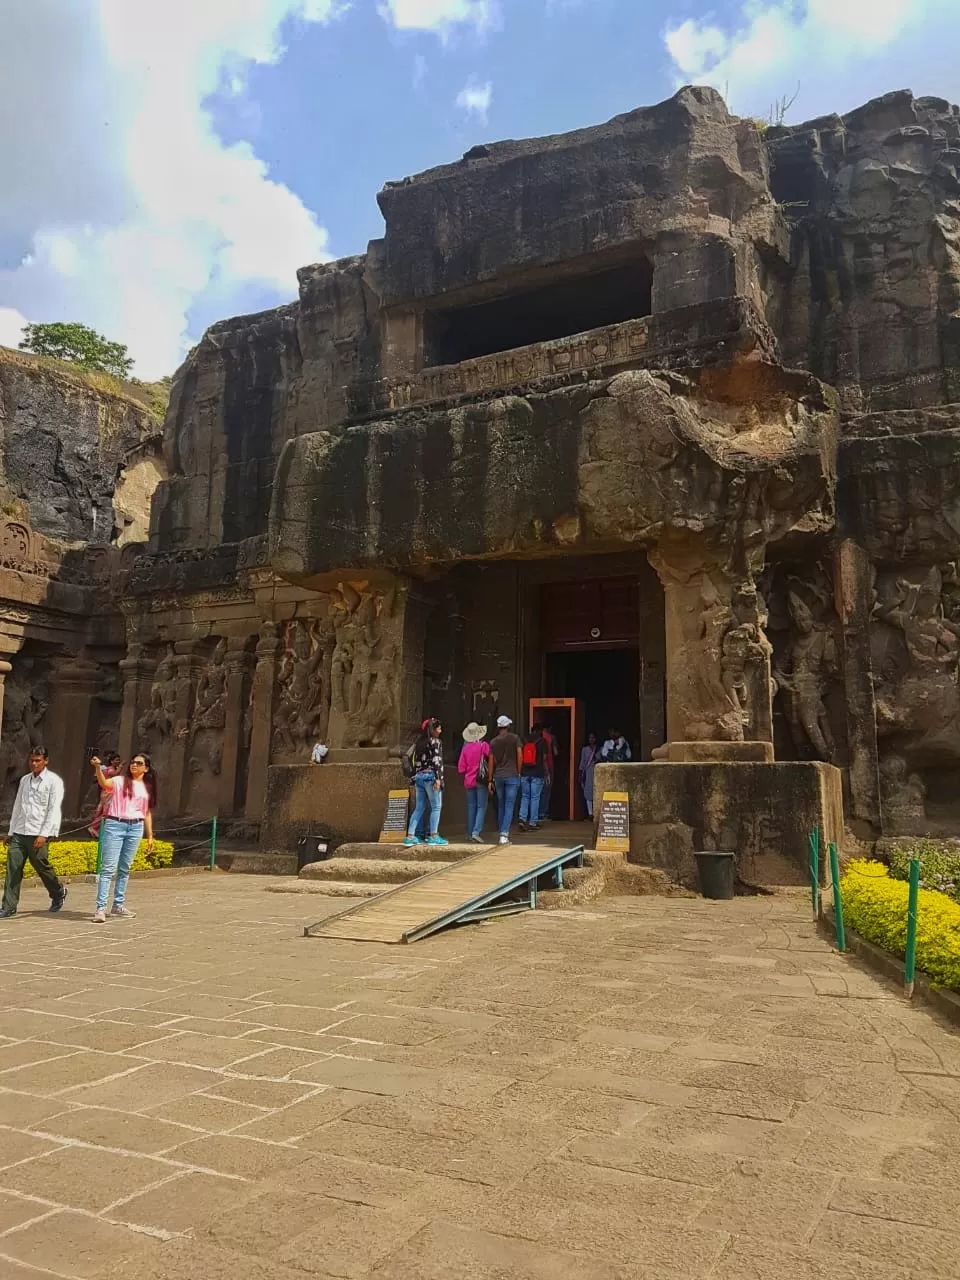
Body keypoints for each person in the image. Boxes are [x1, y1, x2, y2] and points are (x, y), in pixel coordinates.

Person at [90, 751, 157, 923]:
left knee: (124, 868)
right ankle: (100, 908)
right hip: (115, 824)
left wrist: (150, 836)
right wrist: (98, 767)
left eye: (139, 763)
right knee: (108, 868)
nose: (134, 765)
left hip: (135, 827)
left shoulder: (146, 788)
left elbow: (147, 812)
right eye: (133, 762)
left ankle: (118, 905)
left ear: (146, 768)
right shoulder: (120, 781)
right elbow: (104, 783)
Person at [1, 746, 67, 919]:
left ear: (46, 761)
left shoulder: (54, 781)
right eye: (32, 760)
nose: (34, 763)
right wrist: (11, 830)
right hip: (20, 831)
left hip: (38, 832)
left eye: (38, 760)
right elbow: (18, 806)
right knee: (13, 868)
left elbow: (53, 809)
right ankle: (8, 906)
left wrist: (44, 834)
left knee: (41, 866)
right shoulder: (24, 780)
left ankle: (58, 892)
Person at [404, 719, 447, 847]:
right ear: (433, 729)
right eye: (439, 728)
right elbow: (437, 761)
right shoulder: (436, 742)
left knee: (419, 807)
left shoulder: (419, 743)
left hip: (419, 777)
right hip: (431, 777)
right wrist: (438, 778)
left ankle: (410, 836)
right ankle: (433, 835)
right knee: (436, 806)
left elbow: (416, 762)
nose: (440, 730)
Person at [489, 714, 522, 845]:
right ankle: (504, 834)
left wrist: (490, 779)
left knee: (501, 804)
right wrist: (519, 772)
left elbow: (491, 761)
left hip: (498, 776)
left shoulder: (493, 742)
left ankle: (501, 831)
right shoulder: (515, 738)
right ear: (508, 726)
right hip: (512, 775)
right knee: (509, 805)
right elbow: (520, 755)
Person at [458, 722, 491, 844]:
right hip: (481, 779)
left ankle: (469, 833)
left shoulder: (465, 749)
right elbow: (491, 759)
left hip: (468, 780)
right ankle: (476, 832)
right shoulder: (484, 746)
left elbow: (461, 768)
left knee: (471, 807)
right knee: (481, 806)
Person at [519, 723, 548, 831]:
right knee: (535, 797)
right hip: (537, 773)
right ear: (540, 730)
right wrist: (547, 773)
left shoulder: (524, 740)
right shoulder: (542, 741)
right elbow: (544, 759)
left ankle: (522, 819)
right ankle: (533, 822)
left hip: (525, 772)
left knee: (525, 796)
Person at [87, 752, 122, 839]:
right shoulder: (109, 769)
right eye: (116, 760)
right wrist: (121, 766)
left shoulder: (110, 768)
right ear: (111, 761)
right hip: (108, 793)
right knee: (107, 813)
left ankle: (98, 830)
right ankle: (93, 827)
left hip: (110, 792)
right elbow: (114, 774)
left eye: (119, 760)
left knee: (105, 812)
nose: (118, 762)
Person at [539, 725, 557, 823]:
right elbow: (556, 752)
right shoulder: (551, 737)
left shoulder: (535, 737)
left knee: (536, 793)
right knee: (546, 791)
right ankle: (543, 813)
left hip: (535, 768)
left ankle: (536, 814)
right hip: (548, 766)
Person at [578, 732, 599, 817]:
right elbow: (582, 762)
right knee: (588, 792)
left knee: (596, 792)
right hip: (588, 772)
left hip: (597, 772)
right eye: (590, 738)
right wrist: (580, 773)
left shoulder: (599, 749)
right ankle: (590, 813)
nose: (591, 739)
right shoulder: (585, 749)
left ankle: (596, 813)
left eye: (593, 737)